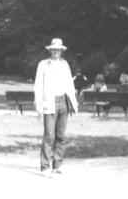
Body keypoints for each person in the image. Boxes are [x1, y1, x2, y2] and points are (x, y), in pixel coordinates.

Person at [34, 37, 78, 175]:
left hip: (63, 101)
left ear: (61, 51)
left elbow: (70, 85)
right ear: (50, 50)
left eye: (58, 50)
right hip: (50, 102)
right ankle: (45, 166)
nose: (56, 52)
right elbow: (38, 85)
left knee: (61, 136)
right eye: (54, 50)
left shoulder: (65, 64)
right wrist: (39, 104)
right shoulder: (43, 64)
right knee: (49, 135)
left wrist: (73, 103)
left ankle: (57, 166)